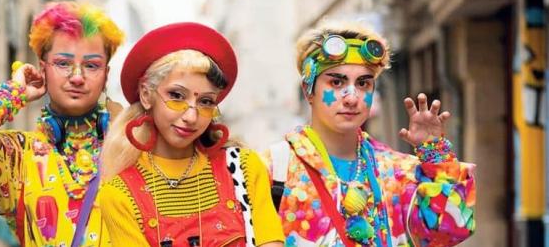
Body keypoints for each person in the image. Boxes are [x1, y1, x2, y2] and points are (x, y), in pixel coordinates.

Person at [265, 21, 476, 247]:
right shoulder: (274, 169)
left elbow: (449, 232)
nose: (352, 97)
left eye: (363, 83)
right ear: (309, 90)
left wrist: (436, 156)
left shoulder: (399, 173)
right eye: (336, 82)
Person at [0, 1, 124, 247]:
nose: (77, 77)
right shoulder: (20, 157)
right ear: (43, 70)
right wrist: (15, 91)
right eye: (63, 63)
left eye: (92, 65)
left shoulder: (130, 149)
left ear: (106, 75)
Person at [98, 22, 285, 247]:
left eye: (205, 101)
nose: (191, 116)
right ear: (146, 96)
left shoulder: (243, 168)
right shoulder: (119, 195)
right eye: (177, 96)